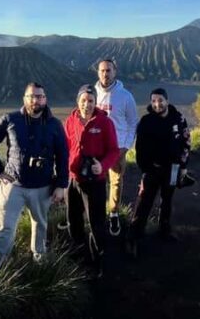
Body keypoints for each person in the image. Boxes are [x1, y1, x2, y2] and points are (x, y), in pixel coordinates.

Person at [0, 82, 69, 272]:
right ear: (24, 99)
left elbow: (63, 155)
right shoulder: (11, 119)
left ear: (45, 99)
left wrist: (62, 184)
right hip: (13, 185)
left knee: (40, 225)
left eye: (39, 96)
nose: (35, 100)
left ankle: (39, 262)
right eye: (31, 96)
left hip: (42, 187)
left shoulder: (54, 125)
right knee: (5, 228)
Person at [125, 88, 191, 258]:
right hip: (152, 170)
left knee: (167, 200)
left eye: (160, 100)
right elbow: (139, 149)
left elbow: (186, 142)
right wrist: (146, 169)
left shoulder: (179, 118)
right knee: (144, 202)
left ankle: (165, 230)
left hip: (173, 168)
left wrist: (183, 166)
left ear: (167, 101)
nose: (157, 104)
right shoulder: (146, 121)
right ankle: (133, 237)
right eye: (153, 101)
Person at [63, 84, 120, 276]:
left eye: (90, 101)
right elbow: (65, 148)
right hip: (73, 180)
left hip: (95, 182)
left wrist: (102, 166)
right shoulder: (70, 121)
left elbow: (113, 151)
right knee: (74, 220)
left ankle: (98, 260)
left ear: (96, 102)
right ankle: (79, 256)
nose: (86, 104)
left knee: (96, 223)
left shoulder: (105, 123)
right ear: (77, 101)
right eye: (83, 100)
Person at [94, 59, 138, 236]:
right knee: (95, 181)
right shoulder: (92, 93)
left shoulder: (125, 96)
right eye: (102, 70)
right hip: (96, 147)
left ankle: (113, 213)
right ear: (98, 72)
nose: (106, 74)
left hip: (117, 148)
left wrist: (126, 146)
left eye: (109, 70)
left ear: (115, 72)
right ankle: (96, 214)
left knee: (116, 182)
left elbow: (133, 122)